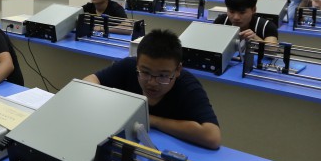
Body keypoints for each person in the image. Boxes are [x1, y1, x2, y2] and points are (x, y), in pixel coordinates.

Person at [84, 29, 220, 149]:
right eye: (145, 72)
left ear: (178, 70)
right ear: (137, 63)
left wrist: (150, 119)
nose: (152, 83)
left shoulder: (188, 86)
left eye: (163, 76)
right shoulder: (127, 66)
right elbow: (88, 82)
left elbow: (212, 136)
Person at [212, 0, 278, 43]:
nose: (236, 17)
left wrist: (256, 39)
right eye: (231, 12)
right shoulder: (221, 21)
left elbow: (273, 50)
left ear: (253, 10)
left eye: (242, 13)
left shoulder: (266, 26)